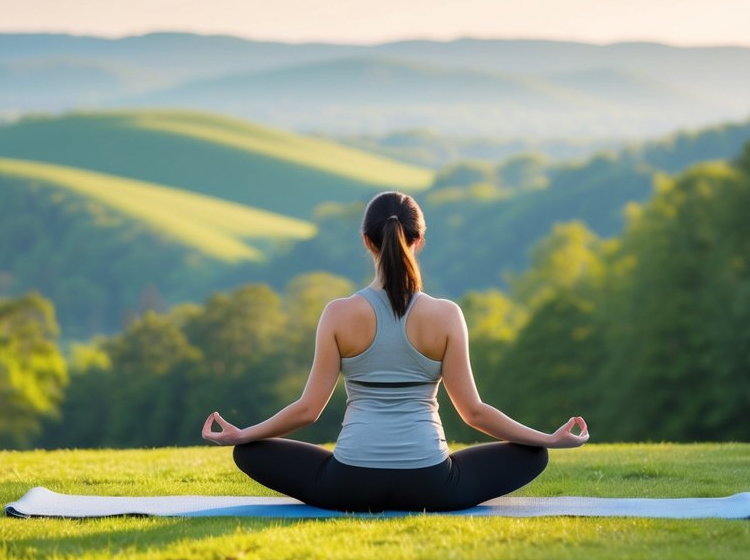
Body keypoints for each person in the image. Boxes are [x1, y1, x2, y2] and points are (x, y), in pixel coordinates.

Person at [202, 190, 589, 512]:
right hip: (434, 486)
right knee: (533, 454)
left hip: (348, 486)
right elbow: (474, 413)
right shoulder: (446, 315)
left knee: (249, 453)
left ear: (367, 241)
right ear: (419, 240)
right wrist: (547, 439)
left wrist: (244, 434)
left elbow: (308, 410)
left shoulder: (338, 314)